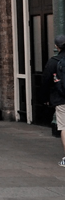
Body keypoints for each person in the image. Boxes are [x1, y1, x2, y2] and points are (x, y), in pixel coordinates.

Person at [41, 35, 65, 166]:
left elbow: (45, 81)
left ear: (57, 46)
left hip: (61, 98)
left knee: (64, 127)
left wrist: (45, 99)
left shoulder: (53, 61)